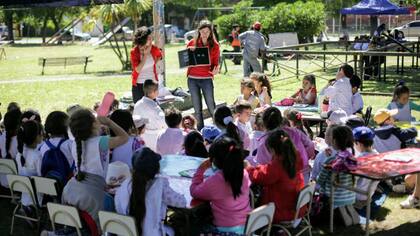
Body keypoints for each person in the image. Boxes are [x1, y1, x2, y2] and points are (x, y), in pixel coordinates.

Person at [62, 108, 128, 226]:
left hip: (72, 188)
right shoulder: (101, 142)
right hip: (91, 196)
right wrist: (109, 122)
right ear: (93, 125)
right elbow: (125, 137)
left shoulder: (75, 143)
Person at [114, 147, 187, 236]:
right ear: (156, 169)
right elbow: (181, 202)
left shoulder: (124, 187)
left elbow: (118, 208)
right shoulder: (160, 185)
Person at [190, 137, 251, 234]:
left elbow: (194, 192)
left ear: (215, 160)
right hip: (247, 227)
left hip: (225, 231)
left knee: (193, 226)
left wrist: (200, 170)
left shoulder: (216, 181)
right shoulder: (244, 173)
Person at [246, 129, 305, 223]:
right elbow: (268, 170)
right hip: (295, 208)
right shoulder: (293, 158)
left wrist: (248, 169)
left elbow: (261, 177)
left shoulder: (279, 164)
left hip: (282, 211)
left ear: (273, 150)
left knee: (254, 203)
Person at [251, 107, 315, 184]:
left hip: (283, 181)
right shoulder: (294, 132)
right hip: (303, 175)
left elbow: (261, 165)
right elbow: (310, 145)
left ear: (264, 123)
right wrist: (304, 157)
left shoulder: (265, 141)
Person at [317, 125, 358, 226]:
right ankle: (354, 218)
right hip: (350, 195)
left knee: (322, 189)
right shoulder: (353, 158)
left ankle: (344, 217)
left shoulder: (331, 160)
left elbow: (320, 180)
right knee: (344, 200)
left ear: (334, 141)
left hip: (334, 196)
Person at [186, 20, 220, 130]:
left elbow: (216, 64)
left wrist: (215, 70)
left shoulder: (215, 45)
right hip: (192, 79)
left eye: (207, 31)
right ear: (199, 31)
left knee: (211, 106)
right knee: (197, 108)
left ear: (211, 32)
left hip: (206, 79)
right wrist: (190, 52)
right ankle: (200, 130)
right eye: (203, 31)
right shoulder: (192, 43)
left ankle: (218, 128)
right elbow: (185, 60)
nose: (205, 34)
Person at [130, 26, 163, 103]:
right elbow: (137, 69)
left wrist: (154, 62)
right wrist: (145, 55)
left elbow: (160, 55)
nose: (150, 40)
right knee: (139, 110)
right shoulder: (134, 52)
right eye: (149, 38)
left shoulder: (153, 48)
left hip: (151, 85)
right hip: (138, 85)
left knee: (152, 109)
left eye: (151, 38)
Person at [40, 111, 74, 182]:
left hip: (50, 185)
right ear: (66, 127)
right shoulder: (70, 144)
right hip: (69, 183)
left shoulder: (43, 145)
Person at [133, 80, 167, 151]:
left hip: (141, 137)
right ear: (153, 92)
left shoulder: (137, 104)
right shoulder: (155, 108)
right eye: (157, 90)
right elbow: (164, 123)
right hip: (154, 139)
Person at [16, 119, 44, 207]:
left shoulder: (19, 154)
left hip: (25, 193)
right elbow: (41, 176)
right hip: (37, 198)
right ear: (37, 136)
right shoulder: (37, 156)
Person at [352, 126, 379, 204]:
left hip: (358, 195)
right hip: (369, 193)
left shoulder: (360, 159)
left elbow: (352, 179)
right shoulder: (378, 155)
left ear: (359, 144)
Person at [310, 124, 338, 188]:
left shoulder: (321, 155)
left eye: (326, 133)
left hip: (324, 191)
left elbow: (314, 176)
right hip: (342, 193)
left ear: (327, 137)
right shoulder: (347, 153)